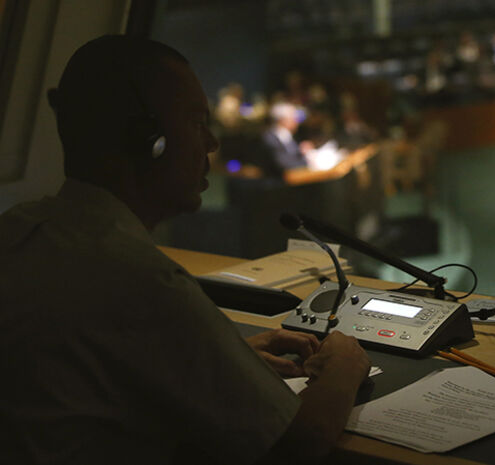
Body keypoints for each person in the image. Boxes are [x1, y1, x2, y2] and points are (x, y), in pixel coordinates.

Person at [0, 35, 370, 463]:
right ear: (148, 140)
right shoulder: (143, 281)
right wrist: (344, 368)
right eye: (196, 123)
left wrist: (220, 362)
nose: (212, 142)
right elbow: (298, 448)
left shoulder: (18, 231)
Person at [256, 101, 312, 178]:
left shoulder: (288, 135)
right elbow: (284, 165)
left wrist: (302, 152)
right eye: (293, 118)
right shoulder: (269, 138)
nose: (296, 121)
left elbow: (293, 156)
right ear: (282, 120)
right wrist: (308, 160)